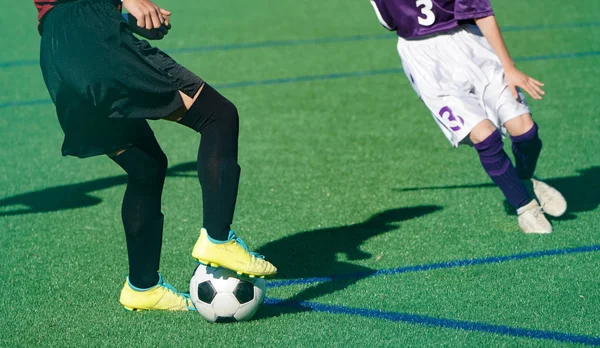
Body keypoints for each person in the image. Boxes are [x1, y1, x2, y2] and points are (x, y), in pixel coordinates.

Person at [34, 0, 277, 311]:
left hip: (56, 50)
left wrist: (119, 14)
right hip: (89, 28)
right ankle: (219, 238)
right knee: (218, 116)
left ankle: (143, 287)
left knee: (145, 167)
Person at [369, 0, 567, 234]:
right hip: (425, 61)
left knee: (525, 131)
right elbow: (393, 22)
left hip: (471, 44)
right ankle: (525, 207)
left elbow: (482, 13)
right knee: (485, 137)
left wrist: (509, 67)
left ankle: (525, 180)